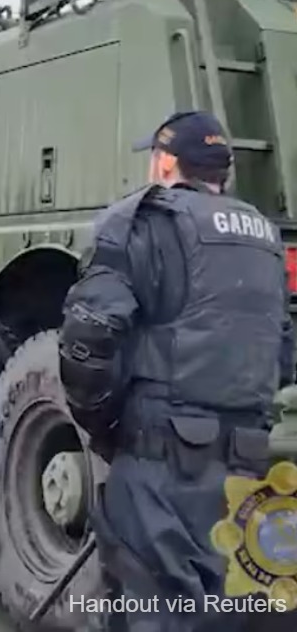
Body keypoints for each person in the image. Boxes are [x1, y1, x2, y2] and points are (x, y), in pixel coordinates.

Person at [59, 110, 294, 632]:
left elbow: (89, 341)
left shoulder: (141, 222)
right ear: (223, 174)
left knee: (152, 610)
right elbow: (282, 350)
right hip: (248, 464)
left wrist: (104, 428)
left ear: (165, 163)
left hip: (159, 465)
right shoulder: (264, 237)